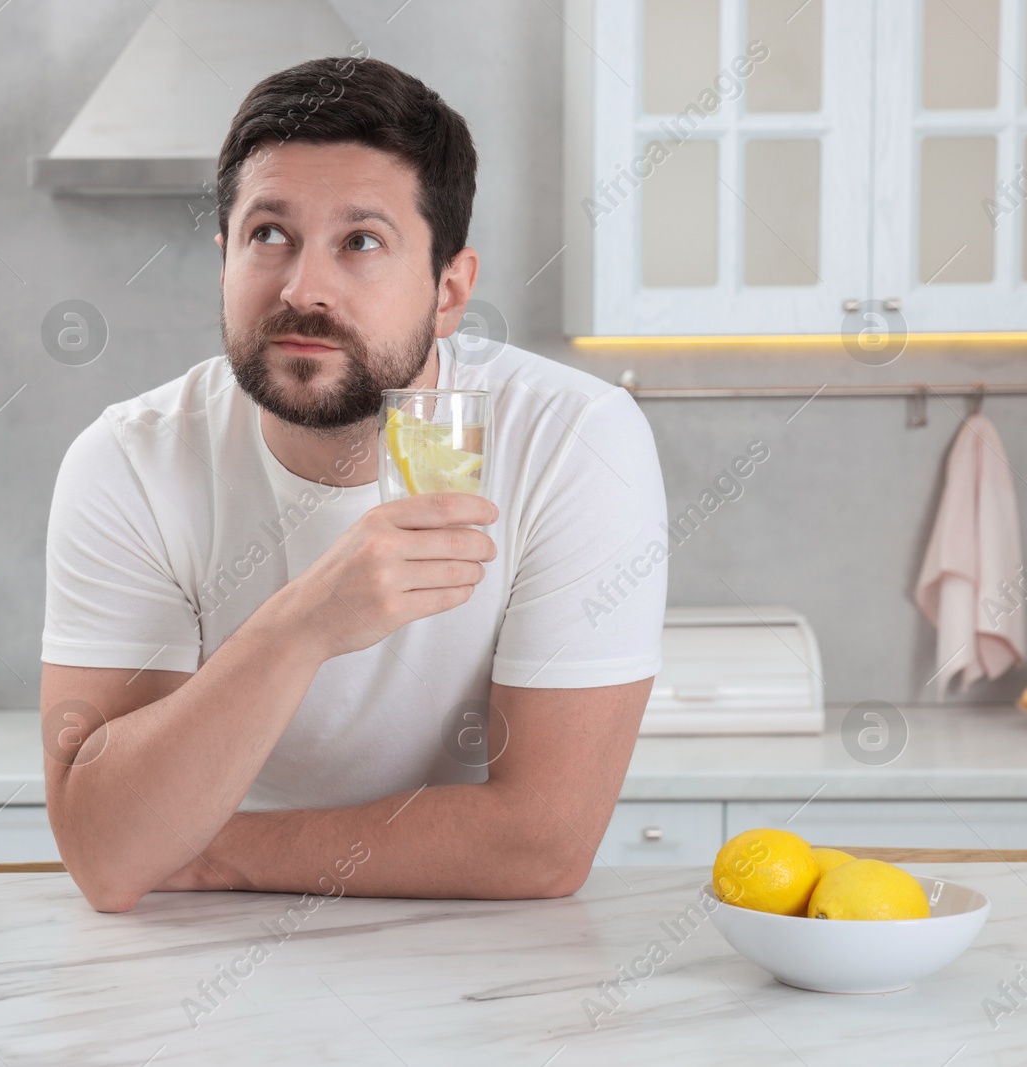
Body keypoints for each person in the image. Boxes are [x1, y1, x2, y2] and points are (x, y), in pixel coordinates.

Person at [41, 57, 667, 913]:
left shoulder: (575, 439)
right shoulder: (127, 461)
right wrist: (303, 626)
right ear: (222, 259)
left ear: (449, 291)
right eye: (269, 235)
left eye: (360, 242)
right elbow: (106, 857)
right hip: (193, 956)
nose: (304, 288)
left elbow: (542, 842)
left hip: (463, 954)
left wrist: (204, 852)